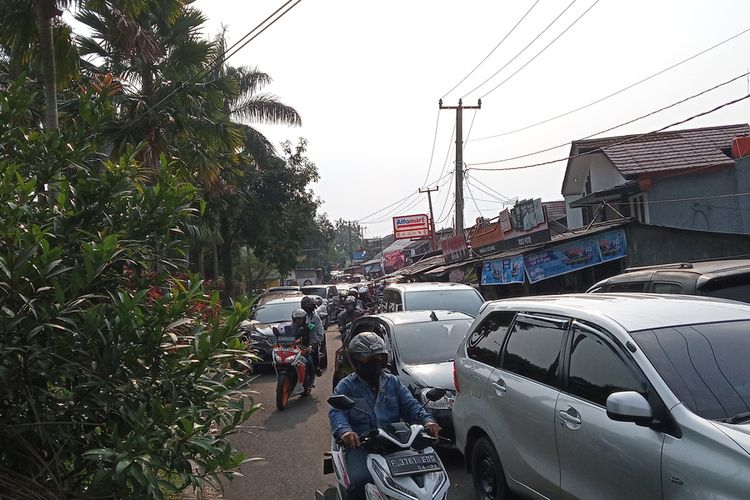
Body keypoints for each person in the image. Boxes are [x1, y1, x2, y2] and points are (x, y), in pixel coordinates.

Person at [328, 333, 440, 500]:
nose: (375, 362)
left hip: (397, 442)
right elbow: (336, 412)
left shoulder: (393, 382)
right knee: (360, 482)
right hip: (362, 446)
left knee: (430, 475)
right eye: (369, 359)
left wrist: (427, 420)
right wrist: (345, 432)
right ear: (356, 361)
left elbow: (410, 405)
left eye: (379, 357)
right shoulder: (346, 386)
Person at [285, 308, 315, 389]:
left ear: (304, 319)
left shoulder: (309, 327)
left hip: (304, 349)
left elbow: (313, 336)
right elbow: (285, 337)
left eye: (300, 319)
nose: (299, 321)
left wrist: (310, 346)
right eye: (297, 319)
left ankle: (310, 380)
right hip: (293, 349)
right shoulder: (289, 328)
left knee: (309, 361)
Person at [301, 295, 325, 377]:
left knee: (314, 351)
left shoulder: (315, 318)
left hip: (313, 341)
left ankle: (317, 367)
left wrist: (309, 327)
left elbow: (319, 332)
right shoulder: (299, 316)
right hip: (301, 341)